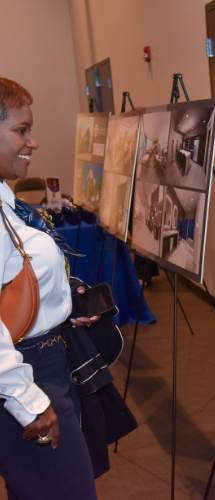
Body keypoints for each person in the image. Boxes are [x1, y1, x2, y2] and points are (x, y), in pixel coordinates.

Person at [0, 77, 99, 499]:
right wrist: (28, 401)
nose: (32, 141)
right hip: (26, 377)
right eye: (21, 130)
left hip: (44, 366)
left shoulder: (5, 197)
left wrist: (61, 304)